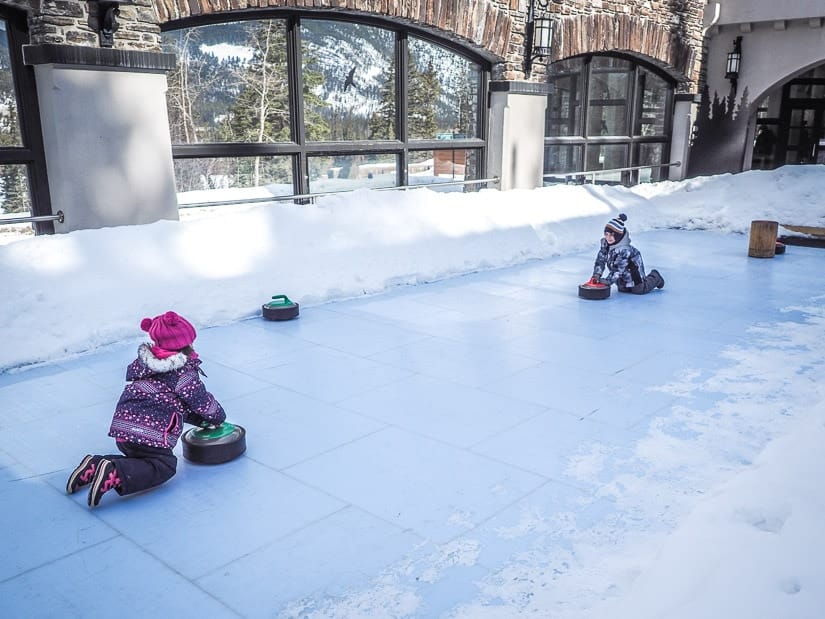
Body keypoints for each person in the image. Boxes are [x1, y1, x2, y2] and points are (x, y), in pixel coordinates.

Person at [66, 311, 226, 507]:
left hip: (124, 431)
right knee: (164, 465)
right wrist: (217, 417)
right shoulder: (182, 373)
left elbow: (171, 401)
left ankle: (95, 464)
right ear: (186, 344)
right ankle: (114, 473)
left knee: (140, 459)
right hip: (150, 434)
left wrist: (198, 420)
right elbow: (201, 401)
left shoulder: (146, 365)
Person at [588, 213, 665, 294]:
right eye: (606, 234)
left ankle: (655, 277)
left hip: (633, 269)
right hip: (621, 272)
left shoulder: (625, 250)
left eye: (611, 235)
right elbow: (601, 260)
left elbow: (618, 268)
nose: (608, 238)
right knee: (623, 289)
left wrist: (608, 281)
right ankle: (624, 282)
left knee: (639, 289)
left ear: (618, 235)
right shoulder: (606, 244)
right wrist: (597, 274)